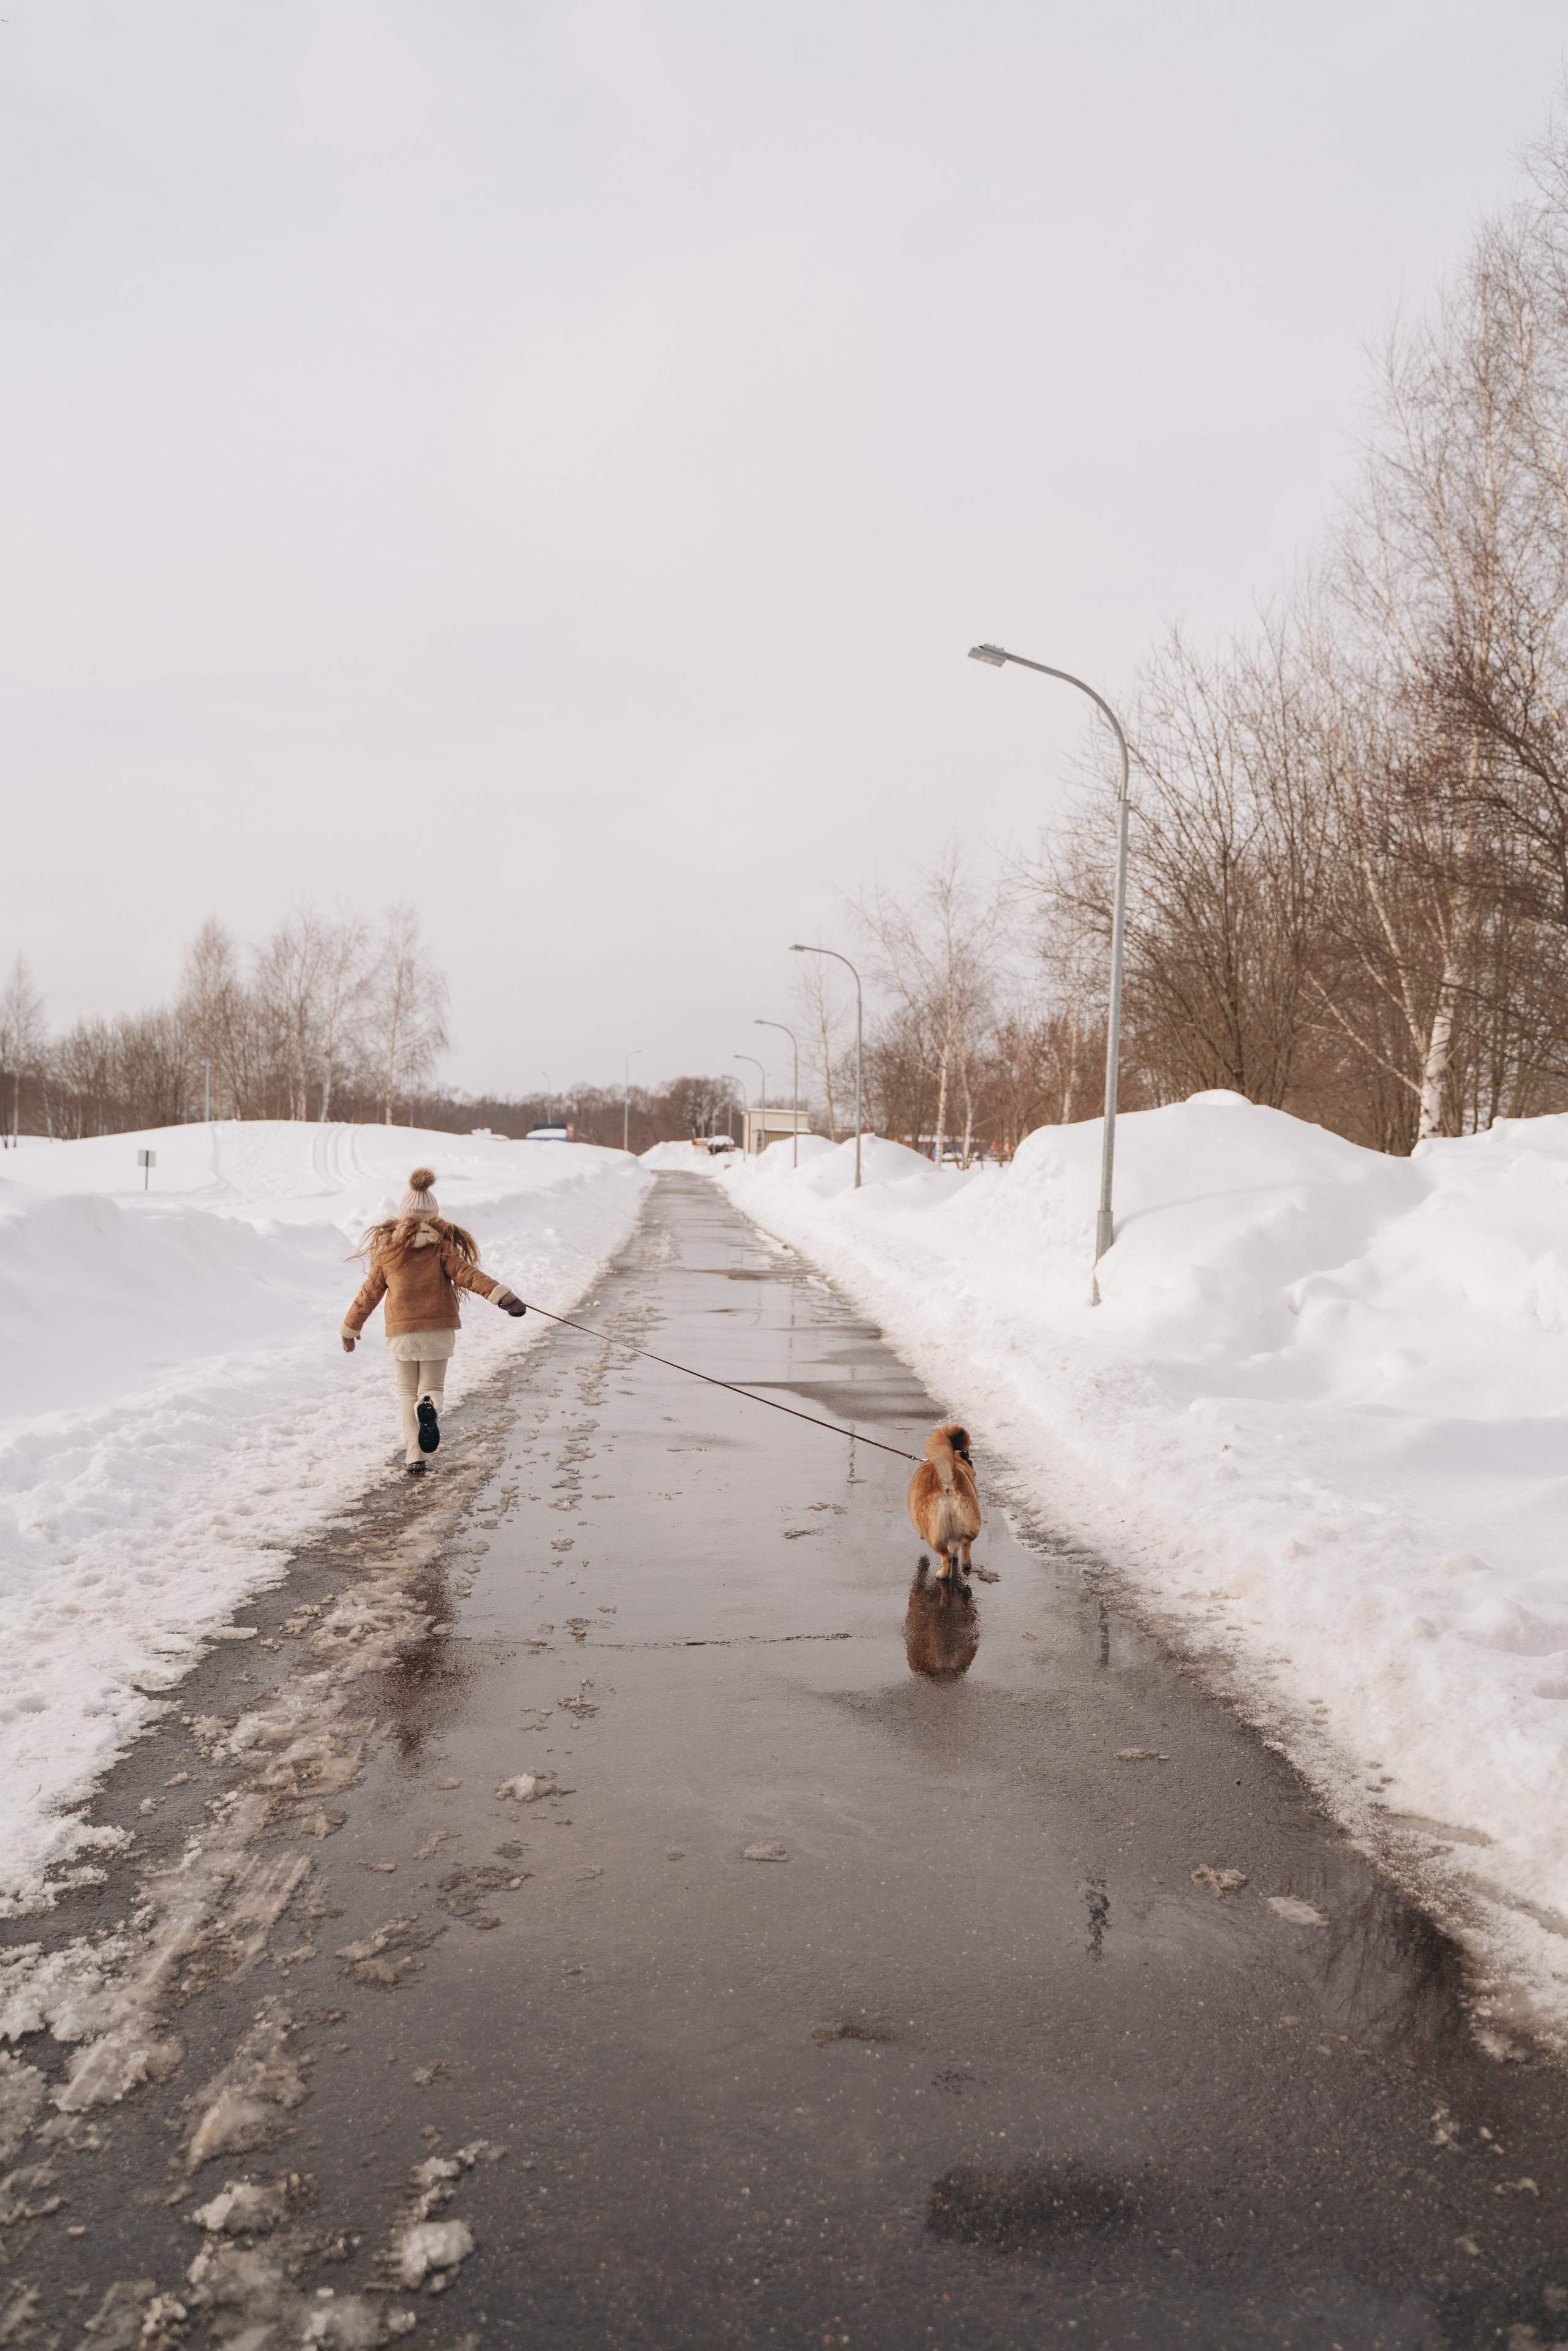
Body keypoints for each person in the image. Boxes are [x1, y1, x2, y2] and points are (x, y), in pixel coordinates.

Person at [342, 1166, 526, 1475]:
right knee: (431, 1387)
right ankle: (428, 1403)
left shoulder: (387, 1254)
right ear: (434, 1216)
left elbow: (368, 1294)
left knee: (405, 1392)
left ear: (402, 1216)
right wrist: (503, 1296)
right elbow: (468, 1275)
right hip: (438, 1332)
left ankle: (415, 1456)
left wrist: (351, 1328)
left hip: (401, 1334)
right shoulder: (442, 1248)